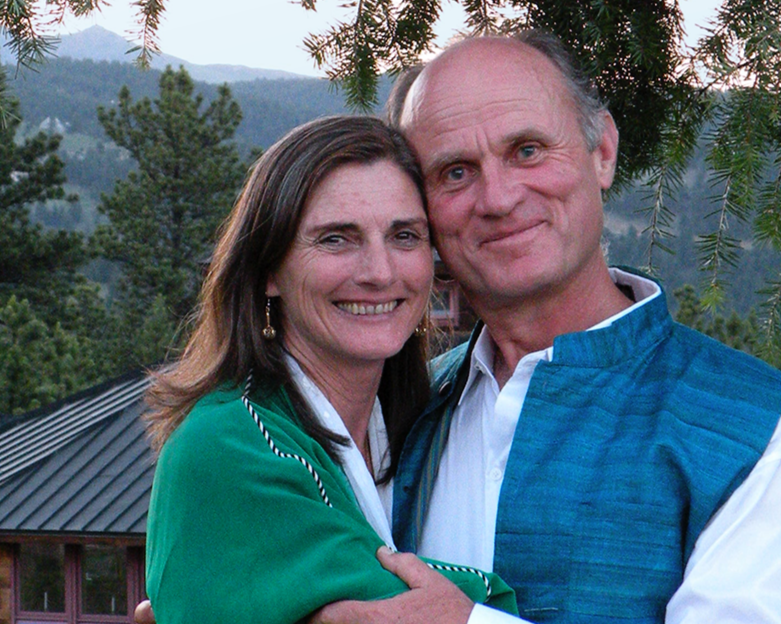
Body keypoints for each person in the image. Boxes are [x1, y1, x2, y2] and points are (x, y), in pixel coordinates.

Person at [311, 32, 781, 624]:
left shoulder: (754, 428)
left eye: (528, 150)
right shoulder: (397, 412)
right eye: (455, 172)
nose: (500, 198)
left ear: (602, 151)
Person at [141, 115, 518, 624]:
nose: (380, 272)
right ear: (269, 270)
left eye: (404, 236)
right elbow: (441, 610)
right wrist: (477, 606)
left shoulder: (423, 428)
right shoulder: (226, 445)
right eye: (337, 239)